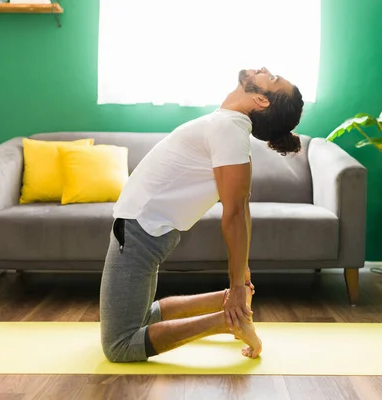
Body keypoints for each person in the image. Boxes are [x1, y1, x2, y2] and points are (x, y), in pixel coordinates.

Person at [100, 67, 304, 363]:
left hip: (139, 232)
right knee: (144, 317)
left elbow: (235, 212)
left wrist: (237, 283)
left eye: (271, 79)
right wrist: (240, 278)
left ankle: (228, 319)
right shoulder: (229, 125)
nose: (265, 70)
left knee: (120, 345)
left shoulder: (230, 129)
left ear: (261, 100)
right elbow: (241, 206)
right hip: (142, 229)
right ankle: (231, 306)